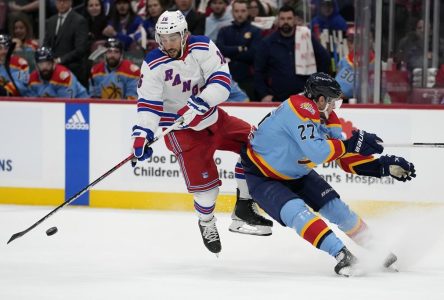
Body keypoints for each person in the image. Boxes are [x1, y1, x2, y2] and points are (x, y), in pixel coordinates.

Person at [240, 72, 416, 276]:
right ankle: (341, 255)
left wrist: (382, 167)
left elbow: (343, 157)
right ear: (320, 98)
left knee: (338, 210)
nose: (334, 107)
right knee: (298, 213)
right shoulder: (299, 107)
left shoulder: (328, 117)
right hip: (263, 175)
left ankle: (377, 250)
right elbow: (319, 151)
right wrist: (352, 143)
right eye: (333, 102)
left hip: (298, 173)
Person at [131, 10, 273, 255]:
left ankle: (244, 206)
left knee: (257, 142)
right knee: (207, 194)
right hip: (182, 132)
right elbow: (149, 105)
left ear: (185, 34)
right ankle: (206, 222)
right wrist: (141, 135)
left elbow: (222, 80)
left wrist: (201, 101)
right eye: (162, 38)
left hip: (214, 119)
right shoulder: (153, 64)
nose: (167, 44)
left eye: (173, 37)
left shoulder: (203, 46)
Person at [254, 5, 330, 102]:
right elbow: (259, 71)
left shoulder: (306, 37)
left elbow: (325, 59)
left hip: (305, 98)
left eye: (289, 18)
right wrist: (264, 94)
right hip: (278, 99)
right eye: (282, 18)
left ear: (294, 20)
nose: (286, 22)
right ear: (278, 21)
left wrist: (317, 88)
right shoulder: (267, 43)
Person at [217, 0, 261, 100]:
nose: (239, 14)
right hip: (226, 80)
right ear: (232, 12)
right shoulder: (224, 31)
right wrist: (240, 48)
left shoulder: (256, 31)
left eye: (243, 11)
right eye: (236, 11)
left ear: (248, 12)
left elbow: (252, 55)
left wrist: (229, 54)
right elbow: (219, 51)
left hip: (247, 80)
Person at [43, 0, 89, 87]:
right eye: (59, 1)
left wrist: (60, 60)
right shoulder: (51, 21)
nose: (61, 4)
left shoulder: (79, 21)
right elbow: (46, 44)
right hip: (53, 70)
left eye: (64, 1)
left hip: (72, 69)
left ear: (71, 2)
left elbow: (80, 49)